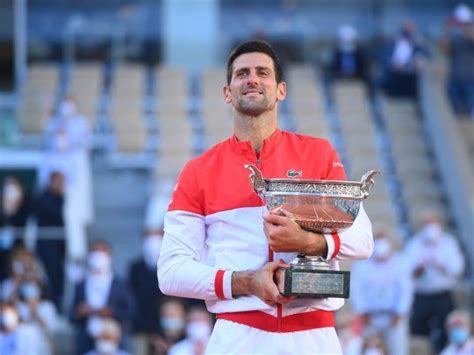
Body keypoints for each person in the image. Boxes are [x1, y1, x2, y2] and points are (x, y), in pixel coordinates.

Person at [158, 40, 374, 354]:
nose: (252, 79)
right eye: (242, 73)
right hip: (236, 335)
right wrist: (246, 282)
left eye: (263, 72)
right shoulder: (198, 170)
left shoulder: (318, 153)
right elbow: (170, 272)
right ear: (227, 93)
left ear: (281, 90)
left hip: (313, 336)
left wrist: (309, 243)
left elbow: (363, 239)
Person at [405, 211, 465, 353]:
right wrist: (419, 270)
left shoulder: (448, 243)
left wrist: (442, 265)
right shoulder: (414, 244)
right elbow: (407, 271)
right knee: (418, 329)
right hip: (422, 295)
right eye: (427, 224)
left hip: (442, 295)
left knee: (447, 328)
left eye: (433, 223)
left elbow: (457, 268)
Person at [351, 229, 413, 355]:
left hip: (394, 317)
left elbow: (406, 289)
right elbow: (356, 290)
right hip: (370, 317)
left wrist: (400, 312)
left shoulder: (400, 263)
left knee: (398, 351)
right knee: (369, 350)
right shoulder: (361, 265)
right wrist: (362, 312)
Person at [71, 240, 135, 355]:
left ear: (110, 256)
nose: (98, 256)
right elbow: (71, 315)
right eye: (95, 251)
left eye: (102, 252)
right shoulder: (81, 284)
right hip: (86, 340)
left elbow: (130, 311)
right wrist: (81, 311)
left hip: (113, 341)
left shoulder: (120, 284)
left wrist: (111, 311)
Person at [128, 230, 166, 355]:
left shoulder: (169, 266)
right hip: (141, 326)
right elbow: (132, 297)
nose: (152, 243)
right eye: (149, 239)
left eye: (156, 238)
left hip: (166, 327)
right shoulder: (135, 267)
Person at [34, 171, 66, 308]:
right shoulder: (44, 198)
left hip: (61, 246)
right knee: (49, 278)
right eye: (57, 181)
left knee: (59, 279)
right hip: (47, 246)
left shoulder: (63, 197)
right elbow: (54, 212)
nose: (60, 185)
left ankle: (57, 306)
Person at [440, 3, 474, 121]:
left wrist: (466, 27)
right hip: (455, 78)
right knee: (455, 112)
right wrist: (447, 30)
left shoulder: (469, 33)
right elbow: (444, 49)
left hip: (470, 80)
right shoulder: (455, 36)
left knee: (468, 112)